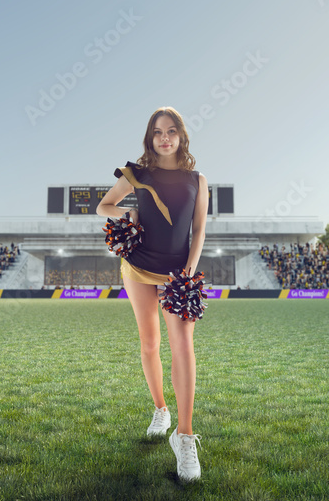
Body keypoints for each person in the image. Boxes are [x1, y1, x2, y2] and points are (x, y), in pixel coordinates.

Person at [96, 106, 208, 482]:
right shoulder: (138, 174)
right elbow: (103, 206)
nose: (165, 137)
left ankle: (185, 435)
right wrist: (126, 217)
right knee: (149, 343)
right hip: (138, 266)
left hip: (179, 272)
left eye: (172, 131)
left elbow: (199, 230)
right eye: (158, 131)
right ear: (150, 137)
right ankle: (161, 409)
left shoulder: (198, 179)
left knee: (183, 347)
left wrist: (191, 265)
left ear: (181, 137)